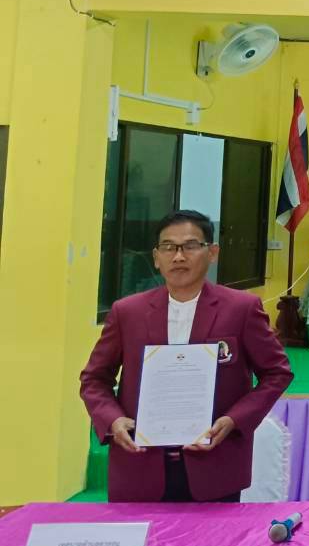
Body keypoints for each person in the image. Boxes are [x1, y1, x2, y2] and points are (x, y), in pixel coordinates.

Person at [79, 210, 294, 502]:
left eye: (190, 246)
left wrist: (234, 419)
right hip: (139, 467)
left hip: (214, 467)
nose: (178, 256)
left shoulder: (241, 308)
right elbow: (94, 379)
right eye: (168, 247)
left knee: (212, 534)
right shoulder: (127, 312)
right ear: (156, 257)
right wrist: (113, 420)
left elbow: (277, 372)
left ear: (212, 252)